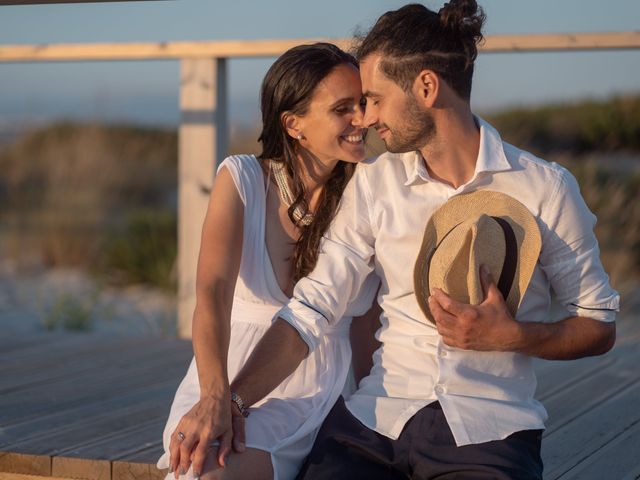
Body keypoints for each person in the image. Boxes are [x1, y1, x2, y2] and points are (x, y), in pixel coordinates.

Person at [225, 2, 620, 479]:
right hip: (375, 422)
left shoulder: (544, 188)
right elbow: (312, 308)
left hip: (488, 430)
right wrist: (231, 402)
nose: (366, 118)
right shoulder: (373, 183)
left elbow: (598, 324)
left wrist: (513, 337)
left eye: (373, 98)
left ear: (427, 87)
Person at [156, 42, 379, 480]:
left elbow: (368, 320)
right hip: (226, 371)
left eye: (363, 103)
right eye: (343, 108)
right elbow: (212, 293)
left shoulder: (371, 191)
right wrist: (215, 396)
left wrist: (377, 409)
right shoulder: (241, 179)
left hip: (320, 384)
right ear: (294, 124)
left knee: (213, 471)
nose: (362, 120)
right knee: (198, 466)